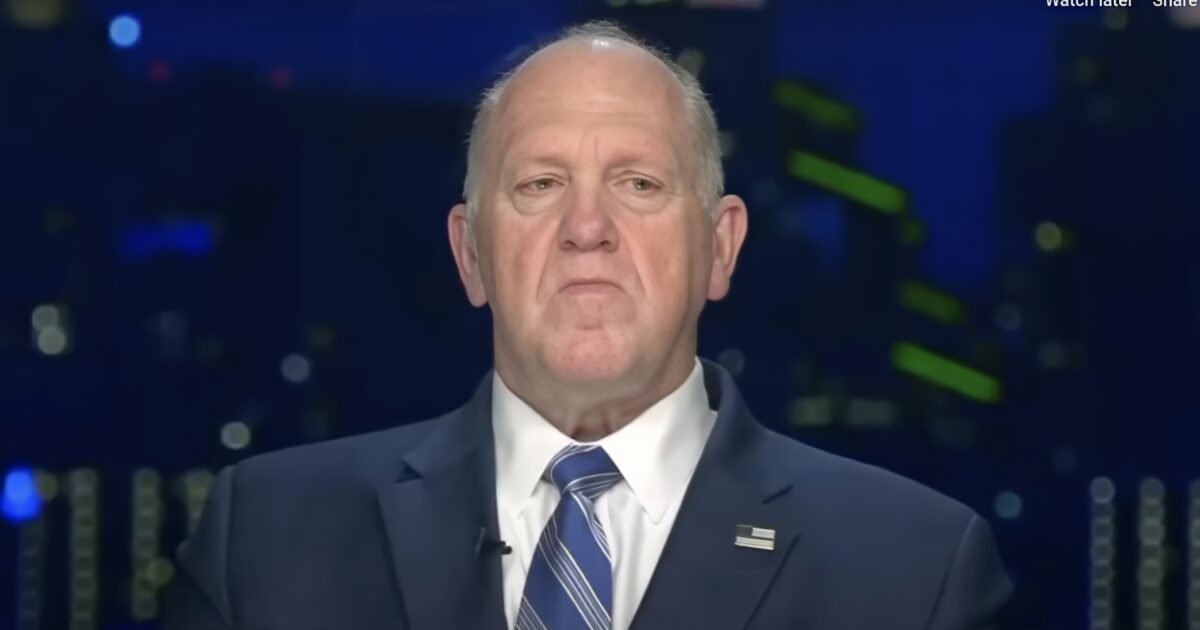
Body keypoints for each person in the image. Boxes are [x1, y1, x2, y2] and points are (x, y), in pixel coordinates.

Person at [164, 21, 1011, 630]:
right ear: (470, 253)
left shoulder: (915, 570)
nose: (587, 228)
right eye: (540, 185)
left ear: (720, 249)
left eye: (639, 184)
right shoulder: (264, 538)